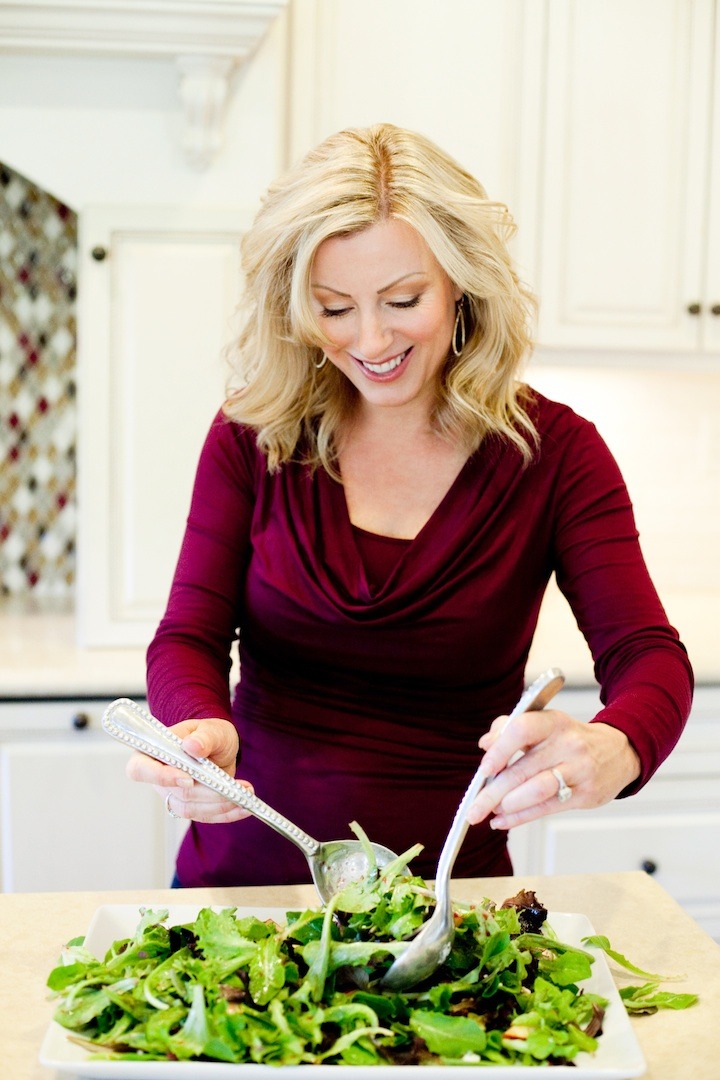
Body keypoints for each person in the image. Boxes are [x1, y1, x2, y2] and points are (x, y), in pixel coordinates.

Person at [128, 123, 693, 888]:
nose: (370, 339)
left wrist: (617, 745)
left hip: (454, 907)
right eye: (333, 308)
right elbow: (187, 636)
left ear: (462, 281)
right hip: (246, 890)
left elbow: (650, 656)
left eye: (402, 299)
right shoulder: (253, 438)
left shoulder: (555, 454)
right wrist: (197, 728)